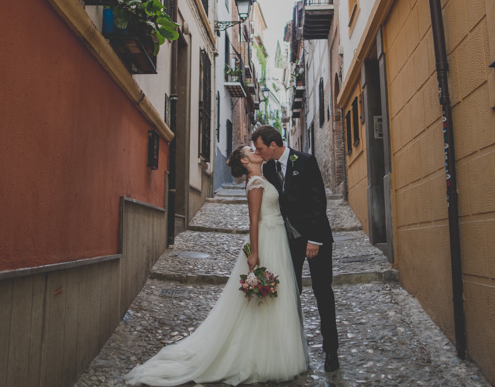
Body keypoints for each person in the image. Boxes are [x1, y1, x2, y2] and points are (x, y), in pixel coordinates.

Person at [124, 145, 308, 386]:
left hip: (276, 238)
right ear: (244, 160)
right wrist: (254, 253)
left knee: (274, 298)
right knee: (264, 299)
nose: (256, 150)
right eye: (251, 149)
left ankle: (272, 349)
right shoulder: (254, 182)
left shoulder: (263, 177)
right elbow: (253, 220)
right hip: (265, 240)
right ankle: (260, 355)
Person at [251, 125, 339, 372]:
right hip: (288, 242)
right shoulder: (267, 168)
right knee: (290, 294)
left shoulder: (305, 161)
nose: (258, 152)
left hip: (315, 239)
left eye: (260, 148)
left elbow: (318, 201)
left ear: (273, 145)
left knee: (323, 292)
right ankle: (292, 351)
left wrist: (314, 238)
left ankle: (331, 351)